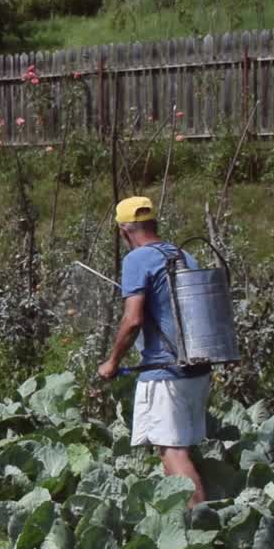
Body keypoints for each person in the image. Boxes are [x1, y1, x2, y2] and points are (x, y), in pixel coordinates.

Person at [97, 196, 210, 508]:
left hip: (166, 372)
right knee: (176, 449)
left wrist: (112, 362)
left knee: (173, 452)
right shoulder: (184, 255)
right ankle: (188, 526)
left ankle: (202, 531)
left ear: (124, 231)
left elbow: (133, 319)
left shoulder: (137, 260)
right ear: (153, 224)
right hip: (197, 368)